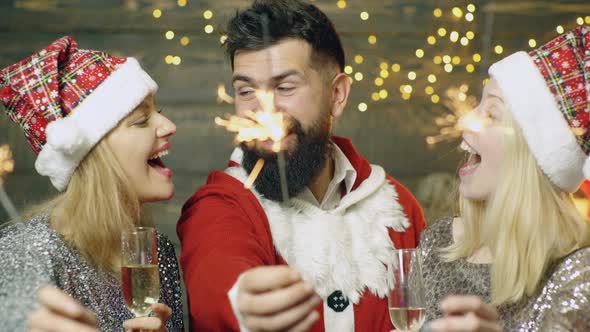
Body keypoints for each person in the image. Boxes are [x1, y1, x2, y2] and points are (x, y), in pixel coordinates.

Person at [176, 0, 426, 331]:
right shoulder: (220, 205)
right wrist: (243, 302)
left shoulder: (399, 206)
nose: (263, 111)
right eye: (246, 90)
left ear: (337, 94)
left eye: (284, 87)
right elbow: (216, 276)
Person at [0, 36, 184, 331]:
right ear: (93, 154)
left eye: (158, 114)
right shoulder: (24, 251)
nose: (169, 126)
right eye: (141, 121)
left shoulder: (155, 251)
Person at [417, 26, 590, 331]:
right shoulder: (438, 243)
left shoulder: (579, 273)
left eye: (491, 114)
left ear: (530, 154)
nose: (464, 121)